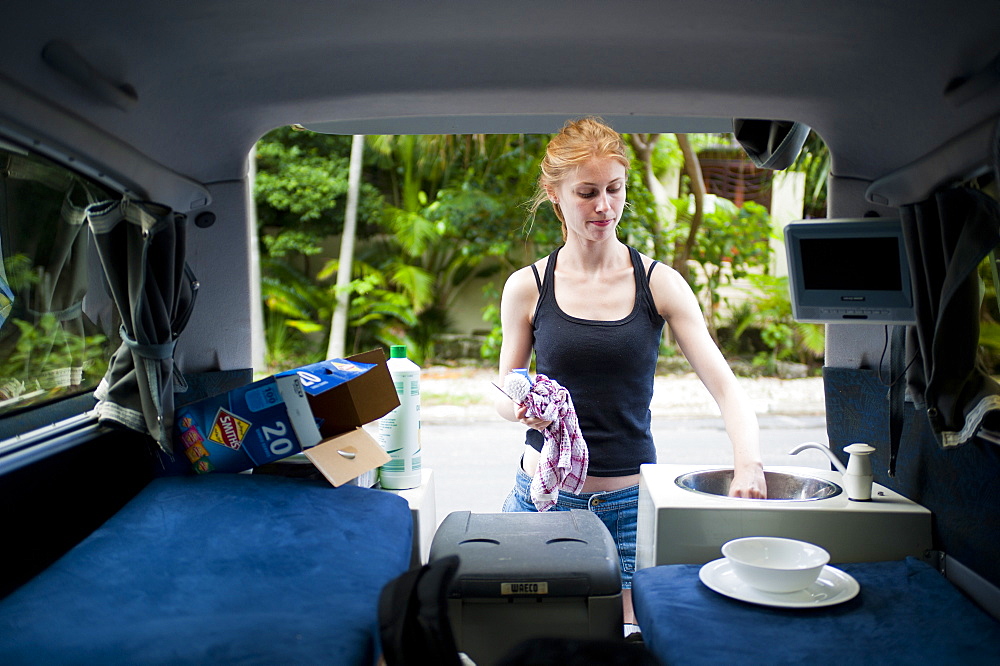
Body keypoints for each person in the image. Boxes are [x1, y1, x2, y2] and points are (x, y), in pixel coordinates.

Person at [494, 117, 767, 628]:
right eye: (587, 192)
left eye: (615, 189)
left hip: (625, 511)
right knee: (523, 638)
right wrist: (524, 407)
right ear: (555, 196)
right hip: (539, 500)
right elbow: (504, 387)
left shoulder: (659, 284)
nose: (604, 206)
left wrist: (748, 463)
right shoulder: (527, 286)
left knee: (621, 644)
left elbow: (727, 389)